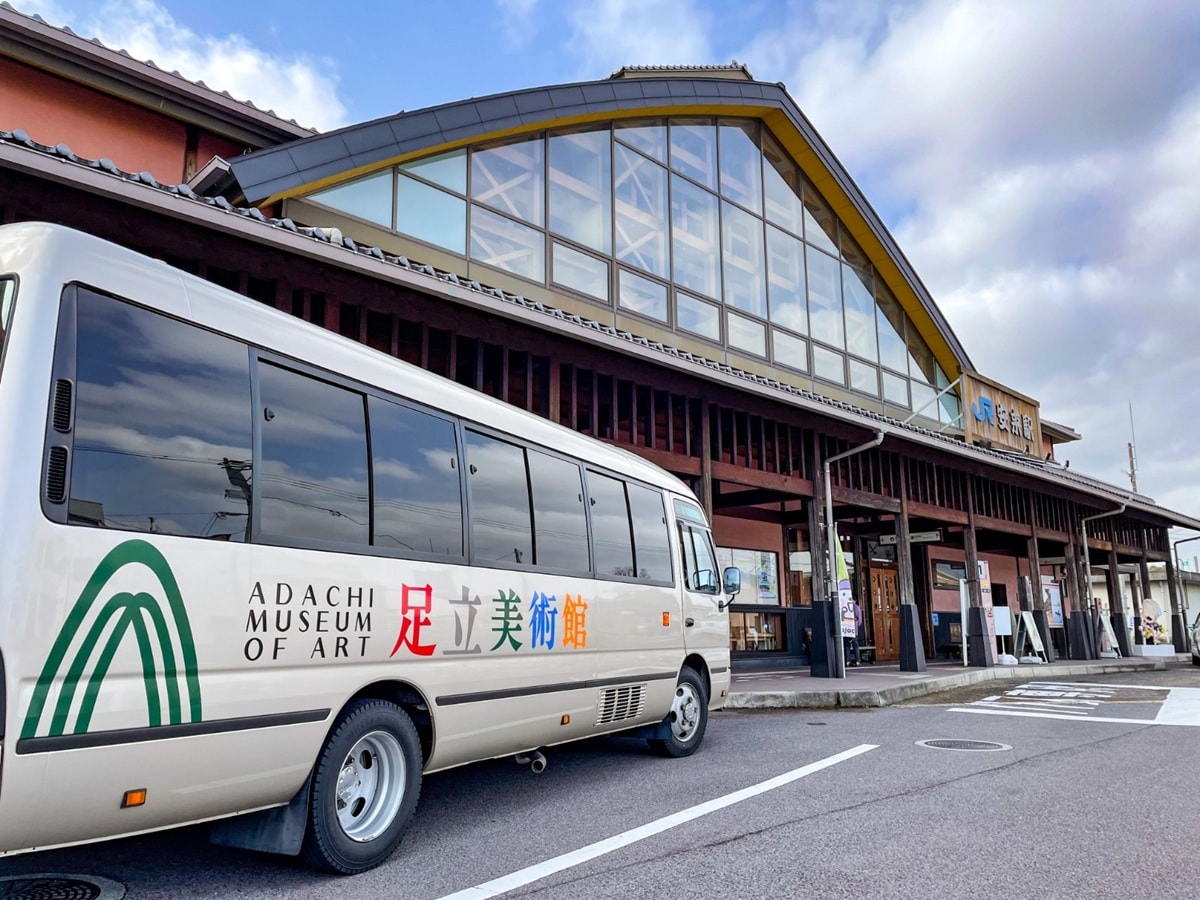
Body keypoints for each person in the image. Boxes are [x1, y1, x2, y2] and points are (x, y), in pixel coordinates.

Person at [845, 599, 863, 667]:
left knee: (849, 644)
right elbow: (859, 620)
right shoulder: (856, 608)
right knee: (853, 644)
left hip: (848, 627)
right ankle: (856, 660)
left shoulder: (852, 607)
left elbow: (859, 621)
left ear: (854, 600)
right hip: (852, 627)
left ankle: (849, 660)